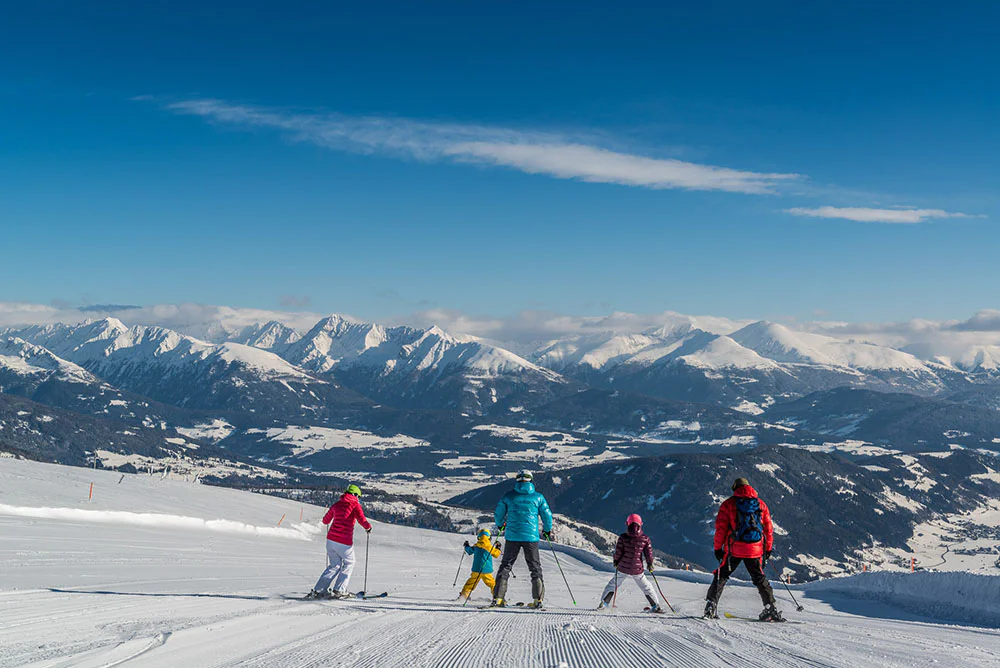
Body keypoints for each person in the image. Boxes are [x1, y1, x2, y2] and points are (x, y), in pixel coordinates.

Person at [703, 477, 783, 622]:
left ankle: (711, 606)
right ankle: (771, 608)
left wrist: (717, 549)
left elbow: (720, 529)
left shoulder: (728, 504)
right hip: (755, 549)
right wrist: (768, 549)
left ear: (735, 488)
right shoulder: (760, 504)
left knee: (722, 575)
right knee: (759, 577)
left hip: (734, 548)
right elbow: (768, 529)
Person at [490, 470, 553, 608]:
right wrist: (547, 530)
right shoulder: (538, 497)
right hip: (531, 537)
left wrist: (501, 525)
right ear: (531, 480)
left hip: (512, 536)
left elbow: (498, 513)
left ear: (517, 480)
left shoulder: (509, 496)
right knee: (535, 567)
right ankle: (538, 600)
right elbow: (547, 515)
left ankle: (498, 599)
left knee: (505, 566)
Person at [306, 483, 372, 600]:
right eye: (358, 497)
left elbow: (325, 521)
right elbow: (362, 520)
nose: (358, 499)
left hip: (331, 541)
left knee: (334, 565)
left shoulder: (336, 505)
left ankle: (319, 590)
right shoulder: (355, 506)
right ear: (355, 495)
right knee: (349, 562)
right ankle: (339, 590)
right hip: (344, 542)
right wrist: (368, 527)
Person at [597, 513, 663, 613]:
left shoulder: (623, 537)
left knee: (612, 585)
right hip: (637, 569)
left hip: (623, 567)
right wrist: (650, 564)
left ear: (627, 524)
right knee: (646, 587)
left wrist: (616, 561)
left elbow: (618, 552)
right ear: (640, 524)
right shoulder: (645, 538)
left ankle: (604, 603)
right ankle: (655, 605)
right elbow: (648, 553)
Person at [457, 528, 502, 601]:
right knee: (492, 584)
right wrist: (498, 548)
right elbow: (496, 554)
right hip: (486, 571)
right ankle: (497, 596)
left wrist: (466, 546)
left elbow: (469, 551)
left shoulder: (476, 546)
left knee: (470, 583)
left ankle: (464, 596)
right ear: (489, 537)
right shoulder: (489, 547)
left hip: (476, 570)